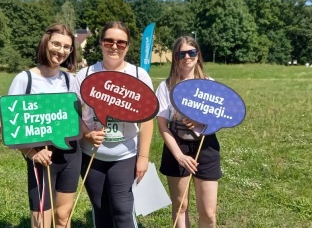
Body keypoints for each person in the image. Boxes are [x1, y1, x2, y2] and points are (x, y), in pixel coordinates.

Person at [74, 21, 154, 228]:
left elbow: (147, 121)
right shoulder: (85, 75)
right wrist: (86, 134)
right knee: (100, 211)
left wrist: (143, 158)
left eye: (121, 42)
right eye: (109, 41)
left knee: (123, 212)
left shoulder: (139, 76)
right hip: (91, 155)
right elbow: (73, 113)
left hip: (125, 156)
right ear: (101, 43)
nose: (114, 46)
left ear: (127, 46)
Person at [6, 23, 81, 228]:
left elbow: (78, 118)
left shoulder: (69, 79)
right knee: (41, 223)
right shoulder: (25, 79)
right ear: (45, 43)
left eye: (67, 47)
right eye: (56, 44)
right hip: (41, 158)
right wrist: (32, 152)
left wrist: (91, 133)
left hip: (71, 155)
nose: (61, 51)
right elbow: (8, 128)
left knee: (64, 217)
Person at [155, 36, 222, 228]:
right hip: (177, 148)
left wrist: (202, 120)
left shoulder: (210, 84)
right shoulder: (165, 86)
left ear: (198, 55)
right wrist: (179, 156)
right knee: (180, 206)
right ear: (175, 57)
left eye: (191, 52)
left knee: (209, 214)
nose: (187, 57)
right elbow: (162, 126)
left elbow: (219, 118)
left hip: (206, 147)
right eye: (181, 53)